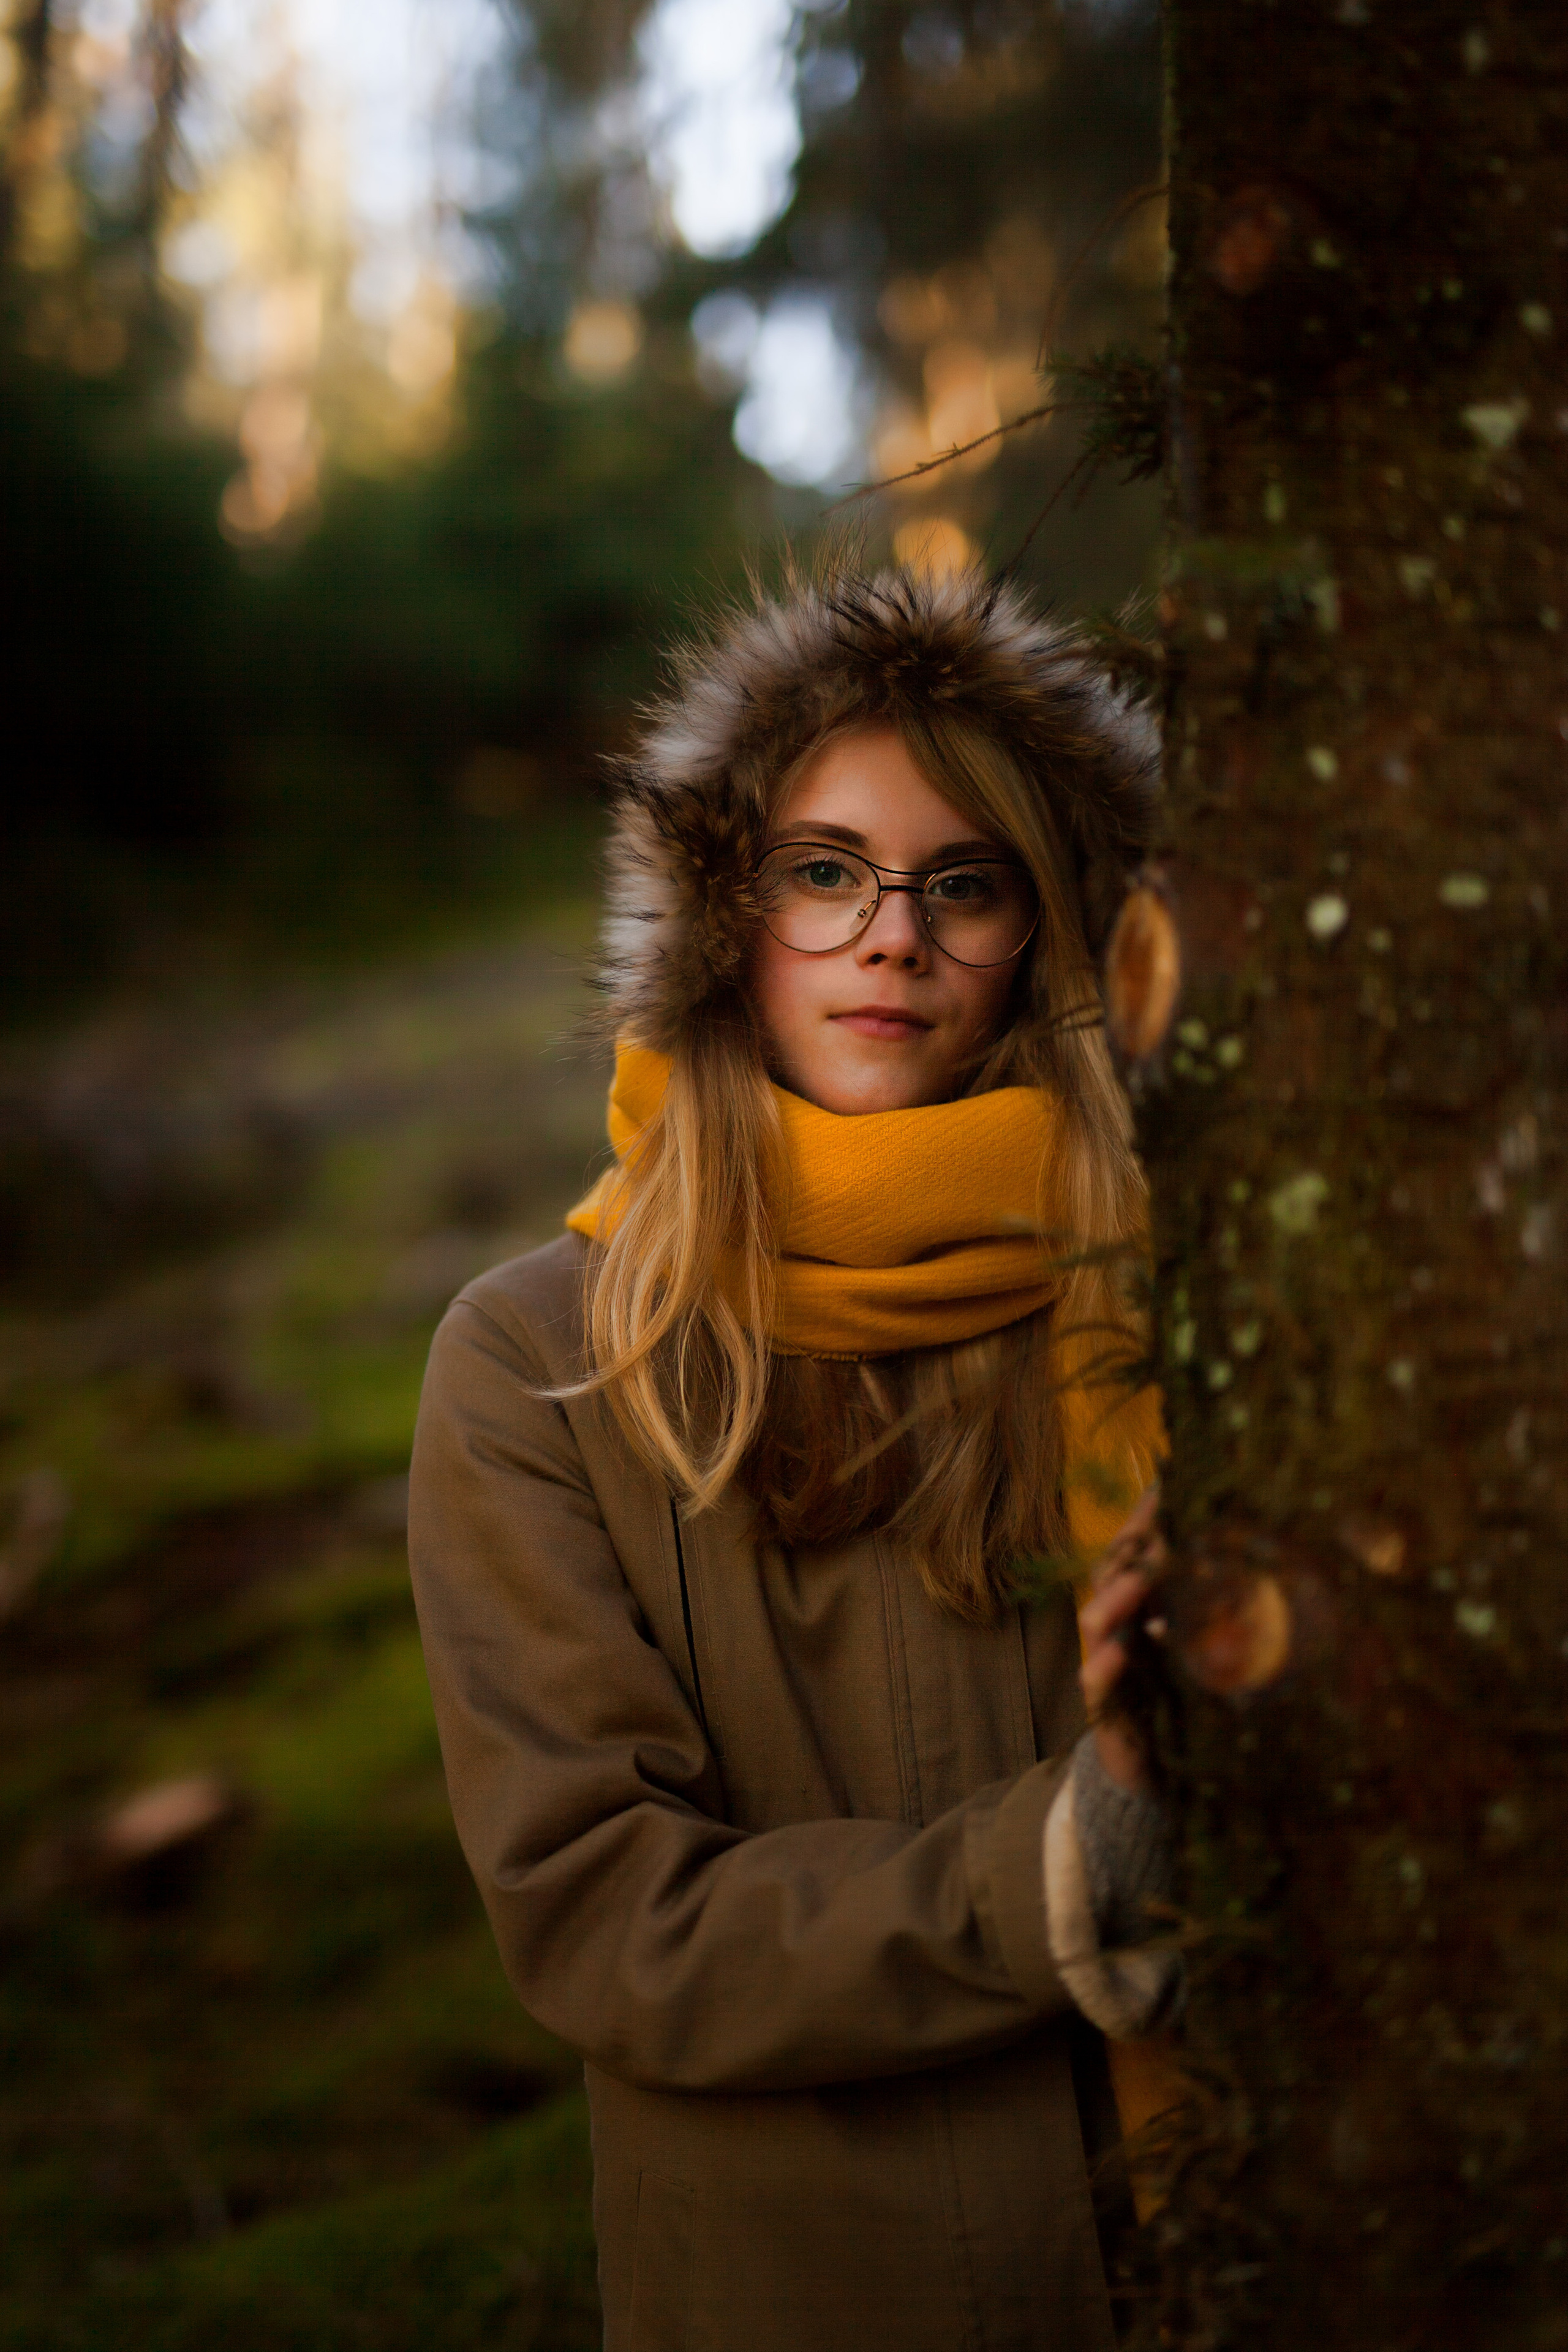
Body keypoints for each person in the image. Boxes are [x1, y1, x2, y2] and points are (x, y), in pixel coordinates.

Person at [409, 563, 1178, 2352]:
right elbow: (607, 1917)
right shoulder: (539, 1366)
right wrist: (1071, 1863)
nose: (891, 937)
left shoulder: (1172, 1306)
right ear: (720, 918)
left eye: (963, 883)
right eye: (825, 873)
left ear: (1051, 937)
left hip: (1194, 2272)